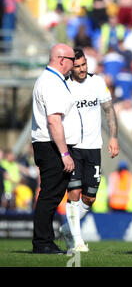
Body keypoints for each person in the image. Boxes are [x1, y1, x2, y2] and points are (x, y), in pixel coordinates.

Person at [59, 47, 120, 252]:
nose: (82, 69)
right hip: (73, 146)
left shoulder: (97, 82)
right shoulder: (64, 86)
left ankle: (68, 228)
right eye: (77, 66)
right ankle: (77, 241)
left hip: (94, 147)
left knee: (90, 197)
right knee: (74, 191)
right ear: (70, 67)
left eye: (84, 64)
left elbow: (109, 109)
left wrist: (113, 137)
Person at [31, 43, 81, 254]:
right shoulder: (52, 83)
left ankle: (45, 240)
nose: (74, 65)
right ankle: (42, 241)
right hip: (51, 146)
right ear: (61, 60)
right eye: (71, 60)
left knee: (52, 193)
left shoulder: (53, 80)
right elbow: (54, 121)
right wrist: (64, 153)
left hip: (51, 145)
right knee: (50, 195)